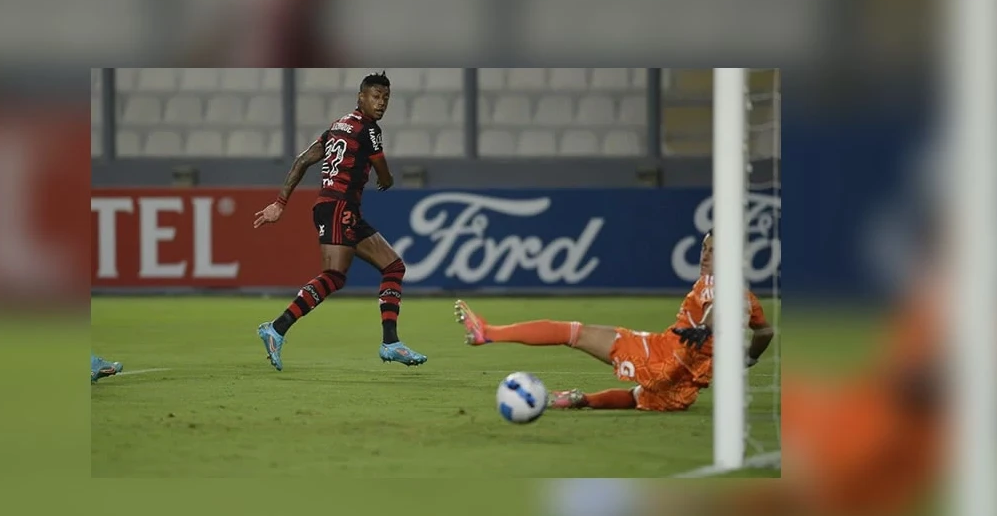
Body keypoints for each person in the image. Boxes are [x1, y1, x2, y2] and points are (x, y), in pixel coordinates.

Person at [456, 231, 774, 411]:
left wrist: (706, 326)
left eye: (713, 251)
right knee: (636, 397)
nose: (704, 255)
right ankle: (580, 400)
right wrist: (750, 357)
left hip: (663, 355)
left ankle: (488, 332)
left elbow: (717, 306)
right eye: (704, 248)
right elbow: (765, 331)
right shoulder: (748, 297)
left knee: (574, 333)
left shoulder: (715, 283)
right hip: (684, 388)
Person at [253, 71, 427, 371]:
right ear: (361, 97)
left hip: (343, 209)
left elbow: (302, 161)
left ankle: (391, 342)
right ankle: (276, 328)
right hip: (338, 206)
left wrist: (280, 203)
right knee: (334, 276)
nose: (381, 103)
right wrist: (387, 179)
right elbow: (382, 171)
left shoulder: (337, 126)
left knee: (393, 267)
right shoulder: (369, 129)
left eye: (386, 98)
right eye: (376, 96)